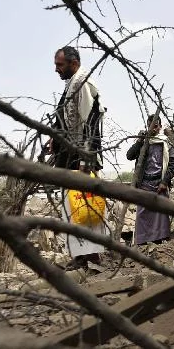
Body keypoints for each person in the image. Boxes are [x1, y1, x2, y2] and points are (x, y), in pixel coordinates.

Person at [48, 46, 109, 271]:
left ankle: (90, 256)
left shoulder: (84, 84)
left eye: (59, 65)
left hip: (81, 159)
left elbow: (90, 124)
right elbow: (66, 119)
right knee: (73, 207)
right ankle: (82, 255)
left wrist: (86, 160)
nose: (56, 70)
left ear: (74, 63)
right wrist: (55, 139)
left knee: (86, 207)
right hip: (70, 157)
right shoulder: (72, 84)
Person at [125, 115, 174, 245]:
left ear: (159, 127)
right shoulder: (144, 142)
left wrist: (165, 182)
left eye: (155, 126)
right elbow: (129, 156)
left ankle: (159, 243)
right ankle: (142, 244)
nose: (153, 129)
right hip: (144, 185)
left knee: (161, 216)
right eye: (150, 126)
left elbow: (172, 165)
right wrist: (139, 141)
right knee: (142, 217)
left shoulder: (167, 143)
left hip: (160, 185)